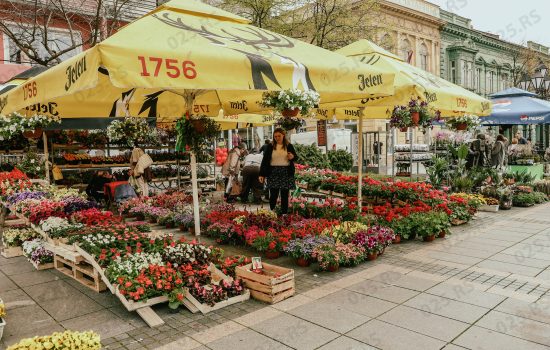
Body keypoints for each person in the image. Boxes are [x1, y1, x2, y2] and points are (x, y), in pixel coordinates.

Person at [259, 128, 298, 214]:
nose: (277, 138)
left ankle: (284, 214)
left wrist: (292, 157)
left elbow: (295, 157)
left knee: (284, 195)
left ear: (283, 135)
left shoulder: (289, 146)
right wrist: (261, 174)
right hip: (273, 172)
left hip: (286, 171)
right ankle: (272, 211)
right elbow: (265, 161)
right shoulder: (270, 146)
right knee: (273, 194)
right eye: (275, 136)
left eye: (279, 136)